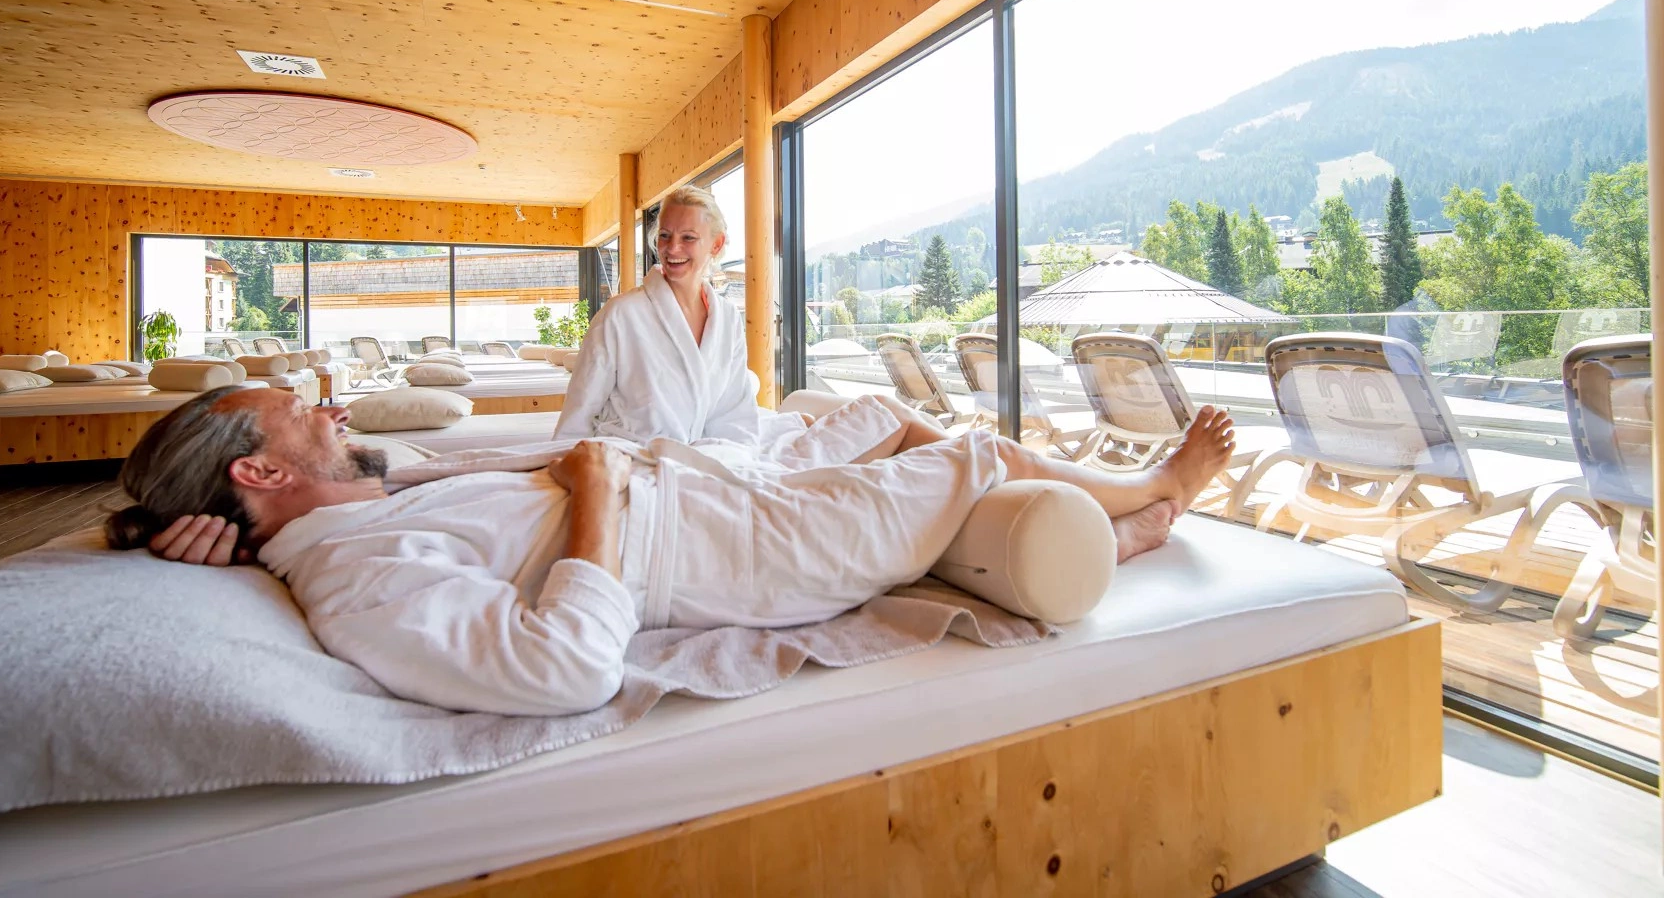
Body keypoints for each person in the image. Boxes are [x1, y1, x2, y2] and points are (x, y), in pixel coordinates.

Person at [114, 387, 1237, 717]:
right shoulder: (356, 576)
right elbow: (561, 670)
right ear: (260, 474)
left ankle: (1110, 518)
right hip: (743, 547)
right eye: (299, 414)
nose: (329, 409)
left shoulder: (361, 506)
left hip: (716, 483)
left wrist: (216, 539)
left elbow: (389, 485)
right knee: (978, 452)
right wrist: (601, 496)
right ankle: (1151, 502)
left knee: (878, 414)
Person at [554, 184, 762, 451]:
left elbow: (735, 412)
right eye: (665, 235)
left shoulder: (728, 319)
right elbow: (580, 410)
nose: (672, 248)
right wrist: (569, 464)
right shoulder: (621, 314)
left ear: (716, 244)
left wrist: (738, 460)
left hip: (695, 460)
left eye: (688, 238)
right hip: (625, 459)